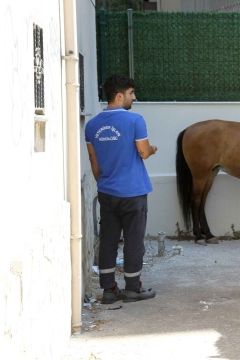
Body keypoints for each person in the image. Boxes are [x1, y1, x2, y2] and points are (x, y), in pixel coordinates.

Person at [85, 74, 158, 304]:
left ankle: (108, 290)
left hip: (107, 191)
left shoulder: (91, 125)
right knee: (134, 241)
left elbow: (94, 164)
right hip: (133, 192)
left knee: (108, 239)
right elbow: (143, 152)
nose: (133, 97)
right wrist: (153, 149)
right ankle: (133, 288)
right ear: (119, 95)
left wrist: (105, 181)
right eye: (131, 93)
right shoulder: (135, 120)